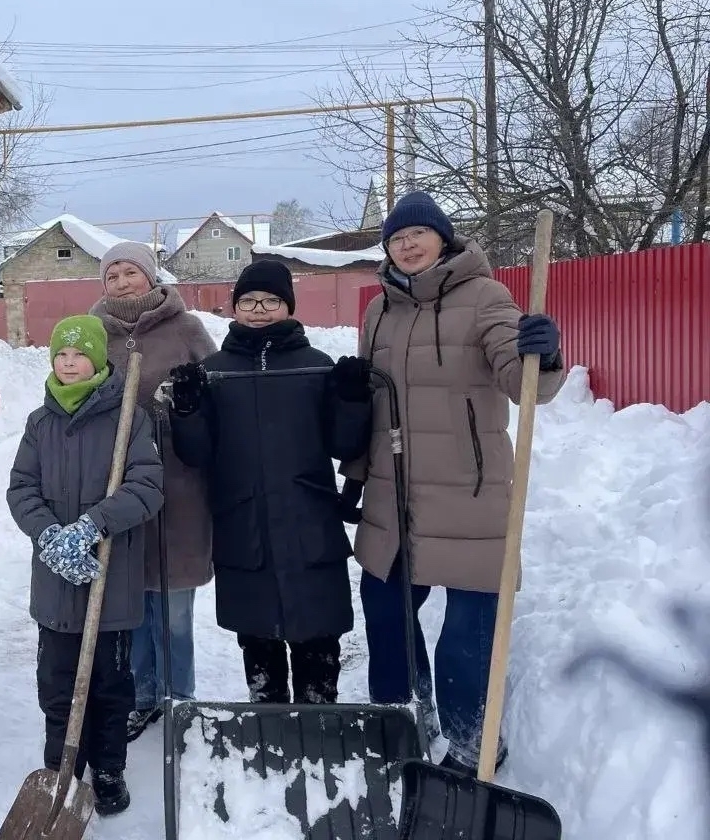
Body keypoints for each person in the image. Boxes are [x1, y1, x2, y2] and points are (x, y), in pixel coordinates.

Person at [339, 190, 567, 776]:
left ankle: (470, 741)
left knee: (468, 631)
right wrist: (356, 477)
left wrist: (543, 354)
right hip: (395, 496)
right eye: (396, 238)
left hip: (471, 491)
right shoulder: (378, 309)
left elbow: (523, 384)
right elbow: (371, 404)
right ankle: (398, 723)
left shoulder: (485, 295)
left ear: (443, 237)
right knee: (387, 618)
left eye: (417, 233)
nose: (407, 244)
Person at [168, 260, 373, 704]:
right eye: (248, 301)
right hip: (244, 521)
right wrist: (186, 409)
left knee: (318, 630)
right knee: (257, 634)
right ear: (235, 308)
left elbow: (344, 443)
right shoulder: (216, 371)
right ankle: (268, 713)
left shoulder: (315, 367)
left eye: (270, 301)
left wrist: (351, 399)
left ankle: (320, 713)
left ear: (288, 307)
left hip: (309, 518)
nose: (258, 310)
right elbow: (197, 453)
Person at [7, 314, 164, 816]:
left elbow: (148, 487)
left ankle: (110, 767)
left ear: (98, 359)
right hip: (54, 581)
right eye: (61, 354)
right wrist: (50, 533)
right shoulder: (40, 421)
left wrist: (92, 525)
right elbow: (21, 488)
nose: (70, 363)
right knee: (56, 681)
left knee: (110, 686)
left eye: (79, 354)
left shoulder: (129, 419)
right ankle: (62, 766)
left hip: (111, 581)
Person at [89, 241, 216, 741]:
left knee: (176, 607)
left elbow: (214, 394)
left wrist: (186, 402)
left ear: (150, 275)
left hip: (182, 485)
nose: (121, 282)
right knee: (133, 605)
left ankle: (180, 698)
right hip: (121, 486)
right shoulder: (94, 332)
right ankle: (143, 695)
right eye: (112, 275)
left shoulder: (185, 328)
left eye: (130, 272)